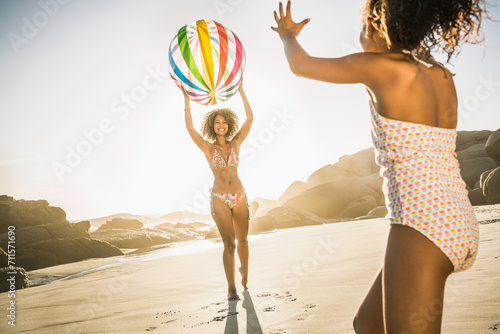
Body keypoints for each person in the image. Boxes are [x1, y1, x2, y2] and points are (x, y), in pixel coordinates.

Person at [271, 0, 484, 332]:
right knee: (367, 324)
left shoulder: (381, 66)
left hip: (421, 225)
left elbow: (300, 65)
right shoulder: (440, 73)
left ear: (376, 26)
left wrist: (287, 36)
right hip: (458, 219)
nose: (361, 35)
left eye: (362, 27)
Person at [183, 81, 253, 300]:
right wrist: (187, 102)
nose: (221, 125)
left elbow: (250, 119)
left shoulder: (236, 143)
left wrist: (242, 92)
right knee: (229, 243)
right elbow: (190, 129)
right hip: (219, 198)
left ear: (229, 124)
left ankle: (245, 271)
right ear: (212, 126)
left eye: (224, 122)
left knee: (243, 242)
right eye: (217, 122)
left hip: (240, 197)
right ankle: (231, 288)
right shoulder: (207, 147)